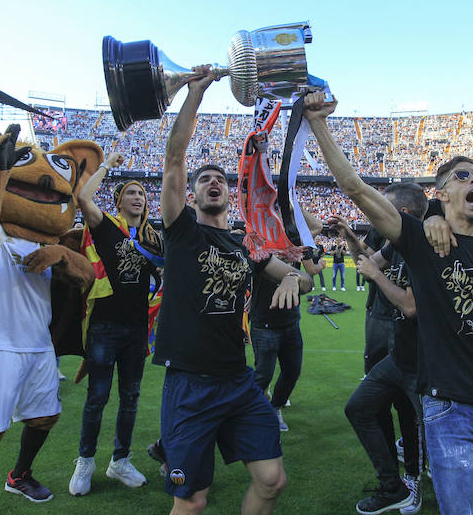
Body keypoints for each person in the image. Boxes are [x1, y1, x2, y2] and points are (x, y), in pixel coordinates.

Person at [305, 91, 473, 514]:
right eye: (462, 176)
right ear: (441, 193)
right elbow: (355, 188)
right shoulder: (419, 242)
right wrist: (319, 123)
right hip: (449, 409)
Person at [153, 65, 313, 515]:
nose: (213, 182)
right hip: (189, 382)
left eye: (219, 178)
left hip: (238, 380)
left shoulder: (247, 245)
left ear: (229, 191)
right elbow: (174, 159)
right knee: (194, 500)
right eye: (204, 180)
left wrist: (291, 281)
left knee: (272, 479)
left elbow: (300, 275)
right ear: (193, 194)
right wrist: (195, 95)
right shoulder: (182, 231)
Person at [68, 152, 164, 496]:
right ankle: (85, 461)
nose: (138, 198)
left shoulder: (154, 239)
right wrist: (107, 165)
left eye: (141, 194)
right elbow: (82, 198)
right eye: (131, 193)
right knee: (97, 397)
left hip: (137, 328)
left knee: (131, 397)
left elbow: (164, 276)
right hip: (105, 328)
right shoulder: (106, 226)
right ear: (119, 200)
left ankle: (119, 460)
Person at [337, 182, 429, 515]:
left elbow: (410, 306)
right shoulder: (394, 245)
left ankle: (413, 482)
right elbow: (366, 264)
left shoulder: (427, 244)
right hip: (399, 355)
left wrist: (377, 276)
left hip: (424, 359)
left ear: (400, 214)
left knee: (416, 422)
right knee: (360, 408)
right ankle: (392, 484)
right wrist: (350, 236)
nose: (375, 214)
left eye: (382, 207)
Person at [249, 243, 322, 432]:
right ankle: (253, 412)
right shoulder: (257, 241)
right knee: (263, 376)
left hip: (291, 321)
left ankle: (275, 407)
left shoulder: (293, 236)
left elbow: (316, 226)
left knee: (292, 371)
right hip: (264, 321)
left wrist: (295, 211)